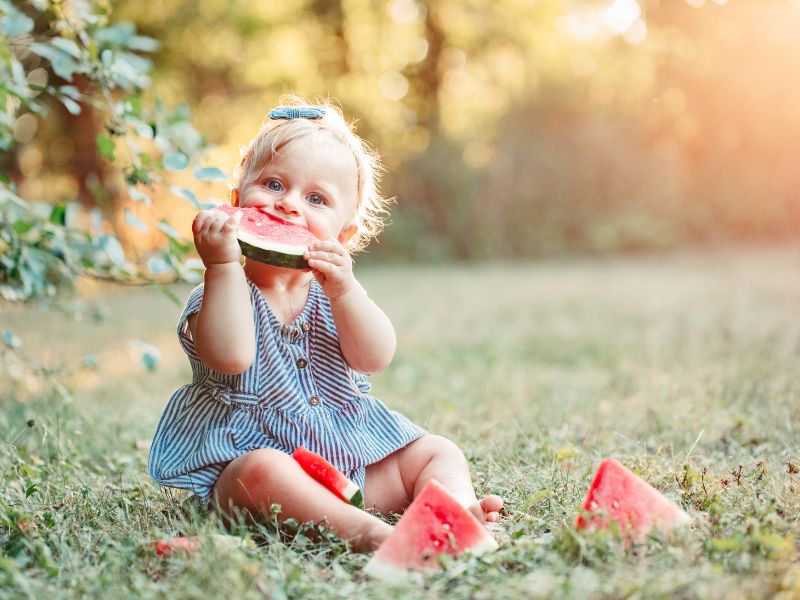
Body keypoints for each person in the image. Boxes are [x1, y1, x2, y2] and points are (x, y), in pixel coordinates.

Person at [148, 99, 503, 552]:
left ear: (344, 235)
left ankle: (453, 512)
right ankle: (375, 535)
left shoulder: (334, 295)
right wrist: (220, 266)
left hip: (348, 461)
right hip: (256, 477)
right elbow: (232, 357)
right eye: (273, 184)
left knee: (438, 451)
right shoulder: (219, 292)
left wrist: (346, 291)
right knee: (262, 470)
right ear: (236, 201)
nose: (288, 205)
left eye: (315, 198)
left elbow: (374, 357)